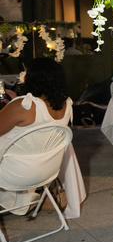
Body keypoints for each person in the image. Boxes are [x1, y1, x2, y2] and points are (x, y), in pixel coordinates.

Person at [0, 58, 73, 214]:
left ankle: (22, 200)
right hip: (46, 171)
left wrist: (11, 106)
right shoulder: (67, 104)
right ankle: (25, 200)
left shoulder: (23, 106)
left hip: (14, 174)